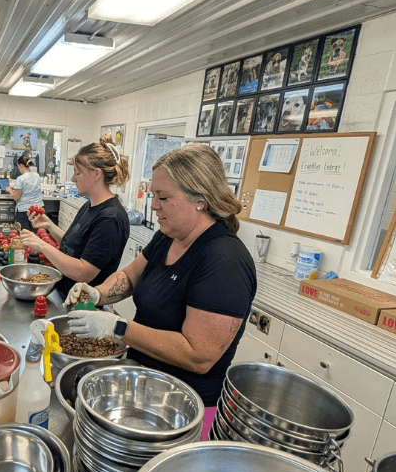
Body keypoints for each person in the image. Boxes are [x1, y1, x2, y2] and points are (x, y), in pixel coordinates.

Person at [64, 144, 256, 407]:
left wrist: (118, 327)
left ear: (200, 199)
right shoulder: (168, 236)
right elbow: (130, 278)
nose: (153, 206)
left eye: (163, 198)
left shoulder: (225, 261)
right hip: (144, 384)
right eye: (153, 195)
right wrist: (97, 293)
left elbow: (198, 356)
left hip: (183, 406)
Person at [20, 134, 131, 298]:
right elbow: (75, 247)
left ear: (96, 174)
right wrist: (49, 226)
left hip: (85, 305)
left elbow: (84, 272)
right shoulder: (90, 205)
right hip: (65, 293)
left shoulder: (110, 219)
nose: (73, 178)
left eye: (78, 173)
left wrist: (42, 245)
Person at [9, 151, 43, 231]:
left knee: (24, 234)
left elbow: (16, 197)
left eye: (18, 166)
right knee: (35, 234)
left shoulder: (20, 178)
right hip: (36, 210)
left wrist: (10, 190)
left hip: (24, 211)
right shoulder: (37, 175)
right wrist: (16, 186)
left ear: (21, 165)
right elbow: (29, 186)